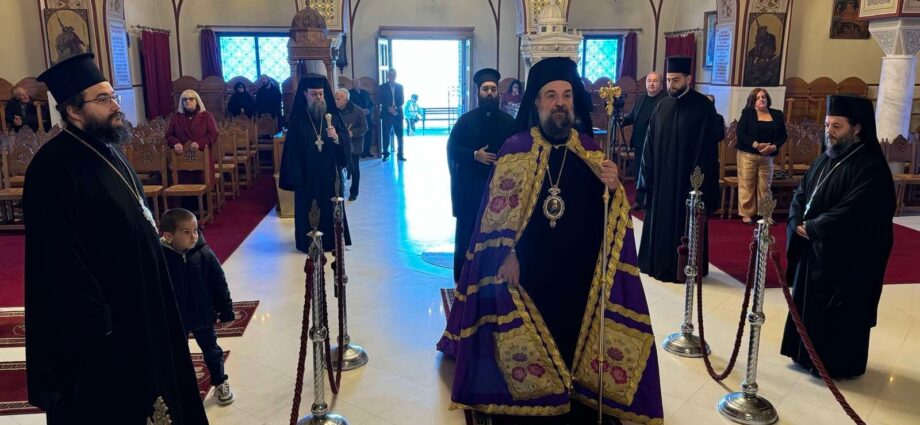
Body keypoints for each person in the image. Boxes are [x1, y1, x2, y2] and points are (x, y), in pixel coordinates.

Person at [438, 57, 662, 425]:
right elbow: (496, 216)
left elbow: (610, 217)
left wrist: (613, 188)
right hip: (528, 271)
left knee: (573, 334)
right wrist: (507, 253)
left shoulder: (589, 151)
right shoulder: (516, 149)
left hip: (578, 271)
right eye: (551, 95)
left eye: (567, 95)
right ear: (537, 103)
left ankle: (575, 386)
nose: (560, 103)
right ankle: (534, 391)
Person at [25, 53, 208, 424]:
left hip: (142, 304)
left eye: (113, 96)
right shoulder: (51, 169)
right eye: (103, 99)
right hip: (105, 326)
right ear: (74, 111)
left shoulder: (108, 150)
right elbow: (57, 262)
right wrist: (99, 321)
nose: (116, 106)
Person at [781, 94, 895, 379]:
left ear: (857, 128)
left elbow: (857, 211)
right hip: (813, 249)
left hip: (845, 258)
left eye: (837, 126)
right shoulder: (824, 159)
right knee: (807, 303)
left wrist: (815, 228)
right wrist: (796, 220)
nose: (829, 132)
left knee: (837, 312)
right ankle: (804, 355)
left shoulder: (871, 167)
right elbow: (801, 194)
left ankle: (834, 364)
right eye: (827, 125)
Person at [637, 56, 722, 283]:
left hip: (687, 183)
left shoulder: (702, 107)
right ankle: (657, 264)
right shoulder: (662, 105)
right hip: (662, 181)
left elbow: (707, 149)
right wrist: (647, 176)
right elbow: (649, 144)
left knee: (683, 224)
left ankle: (684, 267)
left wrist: (698, 185)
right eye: (668, 80)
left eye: (675, 80)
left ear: (688, 79)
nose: (670, 85)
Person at [160, 208, 236, 405]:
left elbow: (219, 282)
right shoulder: (161, 258)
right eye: (186, 232)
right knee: (178, 354)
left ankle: (220, 382)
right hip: (177, 317)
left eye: (195, 230)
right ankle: (182, 388)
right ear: (168, 236)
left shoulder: (203, 253)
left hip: (203, 313)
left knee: (212, 350)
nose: (194, 236)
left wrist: (226, 312)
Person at [446, 68, 515, 283]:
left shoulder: (509, 122)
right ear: (478, 93)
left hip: (499, 190)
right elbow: (452, 149)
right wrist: (474, 155)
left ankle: (491, 276)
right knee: (467, 231)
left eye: (493, 89)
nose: (489, 93)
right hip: (471, 189)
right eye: (485, 89)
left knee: (496, 232)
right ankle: (462, 278)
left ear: (498, 93)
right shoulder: (465, 121)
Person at [279, 74, 352, 253]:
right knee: (309, 208)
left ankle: (333, 241)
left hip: (330, 173)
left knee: (330, 206)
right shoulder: (298, 120)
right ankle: (309, 242)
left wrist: (337, 138)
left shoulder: (332, 117)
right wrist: (297, 176)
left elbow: (345, 140)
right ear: (305, 94)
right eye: (314, 94)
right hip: (308, 175)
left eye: (321, 94)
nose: (319, 97)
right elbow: (292, 151)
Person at [735, 88, 787, 224]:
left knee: (765, 186)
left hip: (768, 156)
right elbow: (740, 133)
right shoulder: (747, 113)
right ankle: (746, 214)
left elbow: (783, 135)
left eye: (763, 97)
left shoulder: (777, 114)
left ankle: (765, 213)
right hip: (748, 154)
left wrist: (773, 147)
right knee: (747, 184)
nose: (761, 99)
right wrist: (756, 145)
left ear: (767, 99)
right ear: (753, 101)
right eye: (758, 98)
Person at [619, 71, 665, 199]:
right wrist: (621, 120)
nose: (651, 84)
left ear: (661, 85)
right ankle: (639, 200)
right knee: (639, 173)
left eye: (655, 81)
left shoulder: (665, 100)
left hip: (655, 145)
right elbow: (632, 116)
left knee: (651, 175)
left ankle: (651, 202)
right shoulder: (641, 98)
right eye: (649, 81)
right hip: (639, 143)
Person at [166, 89, 219, 181]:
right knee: (184, 185)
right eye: (185, 99)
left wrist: (200, 143)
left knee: (203, 182)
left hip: (202, 156)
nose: (187, 101)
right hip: (183, 159)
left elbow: (214, 134)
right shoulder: (176, 117)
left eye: (191, 99)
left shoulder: (206, 116)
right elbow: (169, 135)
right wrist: (176, 143)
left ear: (197, 101)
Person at [334, 88, 368, 201]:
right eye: (335, 98)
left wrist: (352, 132)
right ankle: (339, 190)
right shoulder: (334, 111)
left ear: (346, 100)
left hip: (354, 146)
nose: (336, 101)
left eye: (338, 99)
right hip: (339, 144)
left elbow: (364, 127)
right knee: (339, 168)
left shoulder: (358, 111)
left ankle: (354, 192)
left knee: (354, 168)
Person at [378, 69, 405, 161]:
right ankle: (386, 154)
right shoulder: (382, 87)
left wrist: (395, 108)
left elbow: (402, 100)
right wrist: (389, 108)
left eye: (393, 75)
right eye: (390, 75)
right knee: (386, 134)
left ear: (396, 76)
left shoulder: (400, 87)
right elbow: (380, 100)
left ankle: (400, 154)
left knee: (400, 135)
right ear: (388, 76)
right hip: (387, 113)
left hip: (398, 114)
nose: (392, 76)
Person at [349, 82, 376, 158]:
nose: (356, 84)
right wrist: (361, 111)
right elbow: (351, 105)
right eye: (354, 83)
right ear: (352, 84)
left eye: (357, 82)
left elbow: (371, 104)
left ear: (359, 84)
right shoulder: (350, 93)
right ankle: (361, 152)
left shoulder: (365, 92)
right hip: (358, 117)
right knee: (361, 135)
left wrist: (368, 110)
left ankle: (367, 151)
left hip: (368, 117)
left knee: (369, 134)